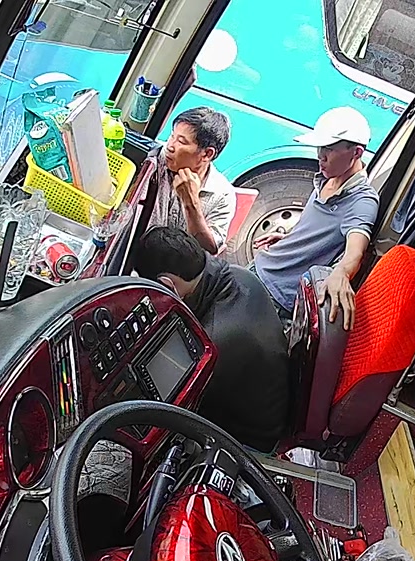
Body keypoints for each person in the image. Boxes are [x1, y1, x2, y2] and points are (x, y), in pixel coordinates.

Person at [134, 226, 290, 452]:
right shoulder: (238, 274)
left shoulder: (212, 346)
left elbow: (173, 410)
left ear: (167, 284)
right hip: (267, 404)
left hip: (247, 442)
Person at [252, 107, 380, 331]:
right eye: (320, 147)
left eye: (329, 148)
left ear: (357, 153)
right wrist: (289, 237)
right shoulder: (326, 178)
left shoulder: (362, 200)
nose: (321, 155)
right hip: (260, 266)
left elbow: (354, 253)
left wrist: (342, 273)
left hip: (277, 297)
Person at [146, 106, 236, 255]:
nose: (170, 146)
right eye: (172, 136)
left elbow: (208, 250)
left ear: (207, 154)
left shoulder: (222, 194)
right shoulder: (154, 158)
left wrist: (191, 202)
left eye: (181, 141)